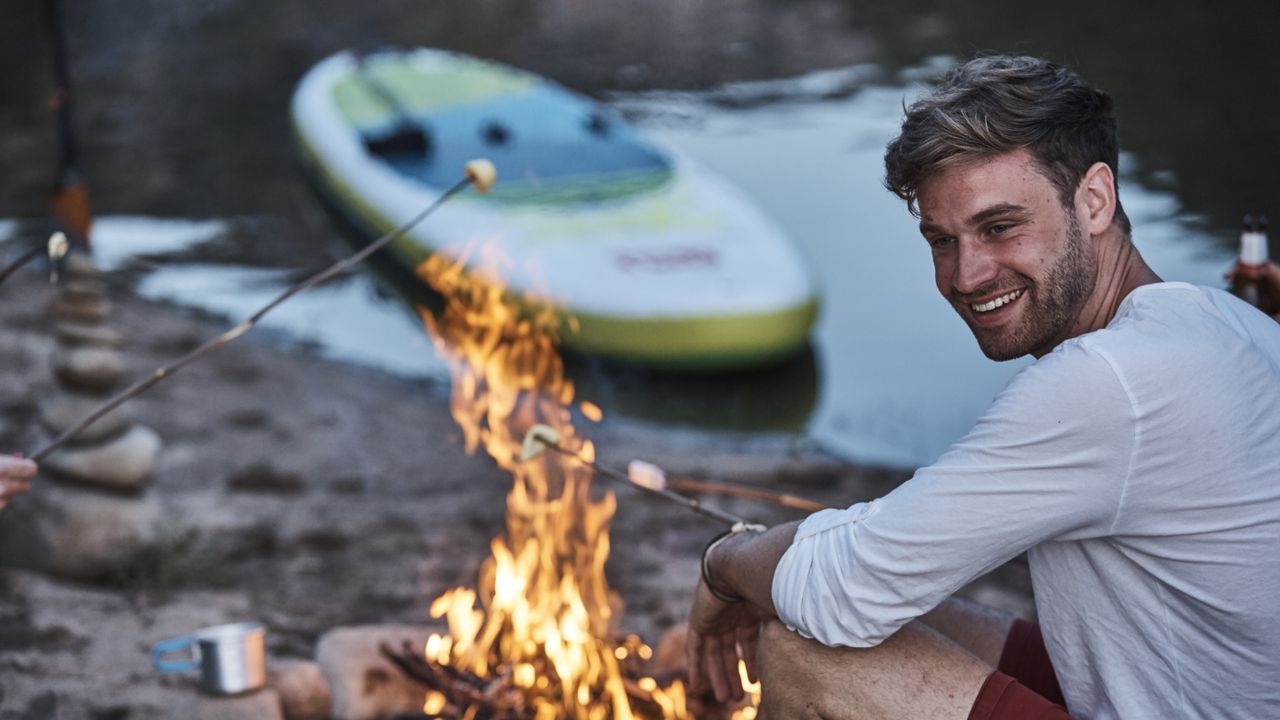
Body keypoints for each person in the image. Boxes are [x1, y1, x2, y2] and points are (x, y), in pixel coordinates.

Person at [687, 55, 1280, 720]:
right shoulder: (1223, 321)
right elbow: (871, 572)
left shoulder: (1111, 381)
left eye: (1000, 227)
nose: (965, 276)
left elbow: (843, 591)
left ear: (1094, 199)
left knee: (809, 647)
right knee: (869, 604)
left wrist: (726, 564)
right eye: (941, 239)